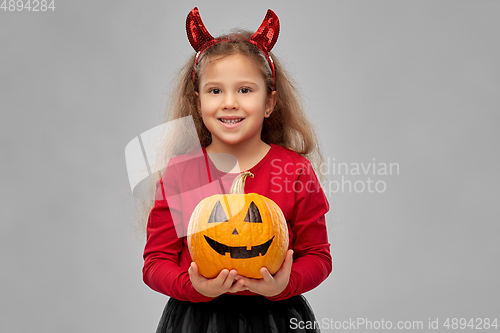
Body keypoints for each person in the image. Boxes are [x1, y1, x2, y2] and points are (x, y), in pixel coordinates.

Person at [142, 7, 332, 333]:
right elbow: (155, 262)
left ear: (270, 103)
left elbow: (318, 255)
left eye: (245, 90)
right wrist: (194, 287)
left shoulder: (294, 171)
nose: (229, 102)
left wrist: (284, 285)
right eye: (215, 91)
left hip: (275, 319)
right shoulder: (181, 173)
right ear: (198, 102)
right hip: (197, 320)